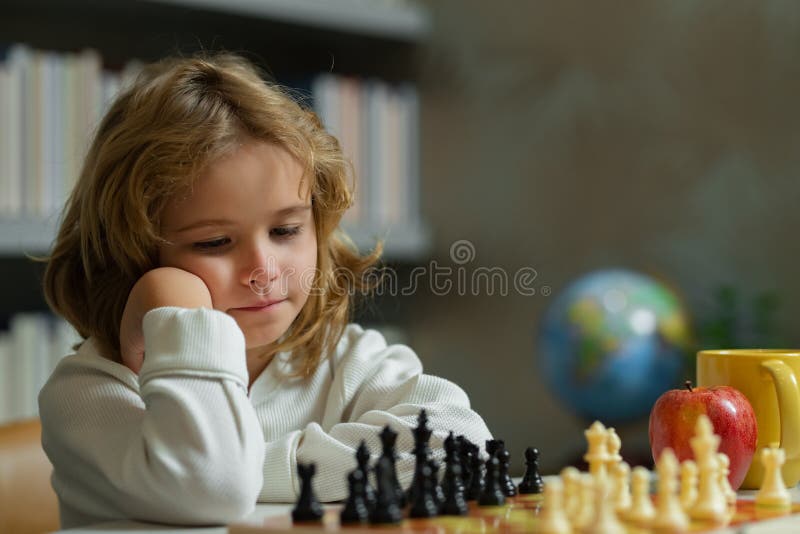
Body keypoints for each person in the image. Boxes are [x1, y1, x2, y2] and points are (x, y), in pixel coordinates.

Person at [38, 52, 492, 529]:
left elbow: (464, 446)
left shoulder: (348, 364)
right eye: (214, 242)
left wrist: (260, 460)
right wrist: (181, 316)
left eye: (285, 231)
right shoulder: (87, 393)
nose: (264, 271)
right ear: (132, 253)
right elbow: (210, 487)